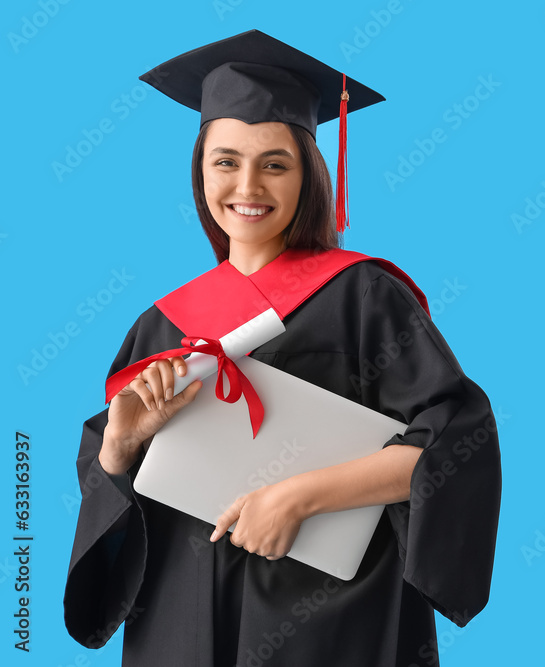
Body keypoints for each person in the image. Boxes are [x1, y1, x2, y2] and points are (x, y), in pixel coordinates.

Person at [63, 30, 502, 667]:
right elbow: (111, 494)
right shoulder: (159, 326)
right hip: (178, 628)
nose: (248, 184)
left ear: (308, 174)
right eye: (225, 161)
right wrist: (120, 446)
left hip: (331, 626)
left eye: (274, 163)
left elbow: (456, 446)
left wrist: (298, 497)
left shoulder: (365, 297)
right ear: (200, 170)